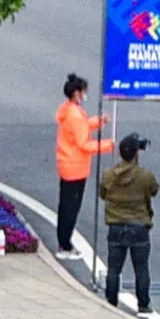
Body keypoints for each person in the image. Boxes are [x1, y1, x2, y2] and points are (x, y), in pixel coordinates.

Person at [99, 132, 159, 314]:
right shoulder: (145, 175)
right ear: (136, 154)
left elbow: (103, 194)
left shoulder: (109, 175)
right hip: (139, 226)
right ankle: (143, 304)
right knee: (141, 269)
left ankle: (111, 301)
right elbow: (154, 190)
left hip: (116, 226)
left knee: (114, 268)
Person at [54, 73, 112, 259]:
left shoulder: (68, 111)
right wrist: (107, 145)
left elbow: (81, 129)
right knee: (71, 208)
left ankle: (64, 242)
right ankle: (65, 245)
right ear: (77, 93)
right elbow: (84, 144)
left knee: (66, 206)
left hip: (68, 164)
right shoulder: (75, 115)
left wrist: (97, 122)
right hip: (75, 167)